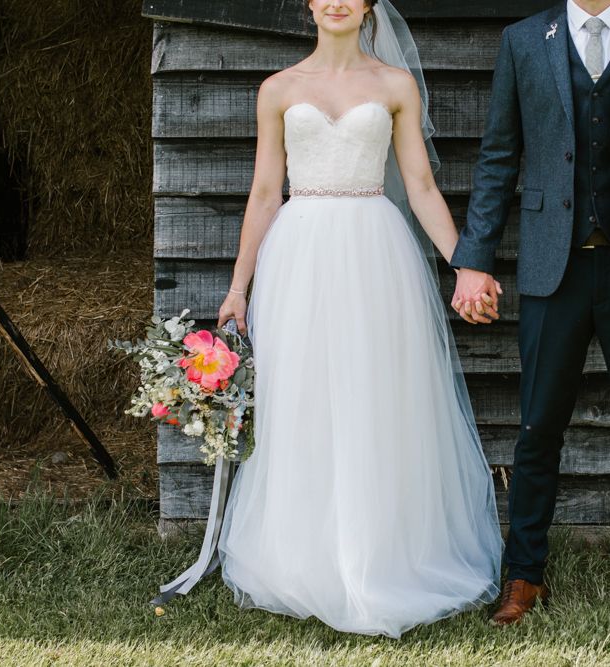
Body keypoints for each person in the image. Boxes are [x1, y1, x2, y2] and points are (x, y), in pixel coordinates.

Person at [212, 0, 502, 639]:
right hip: (300, 253)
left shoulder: (394, 86)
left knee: (376, 399)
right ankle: (304, 557)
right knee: (304, 400)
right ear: (311, 5)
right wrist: (239, 286)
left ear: (368, 5)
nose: (337, 0)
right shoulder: (279, 89)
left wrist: (465, 266)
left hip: (375, 249)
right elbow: (265, 191)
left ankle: (379, 557)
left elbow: (421, 185)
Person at [451, 0, 610, 640]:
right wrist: (474, 260)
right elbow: (499, 155)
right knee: (537, 429)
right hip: (550, 266)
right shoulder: (523, 40)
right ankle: (524, 573)